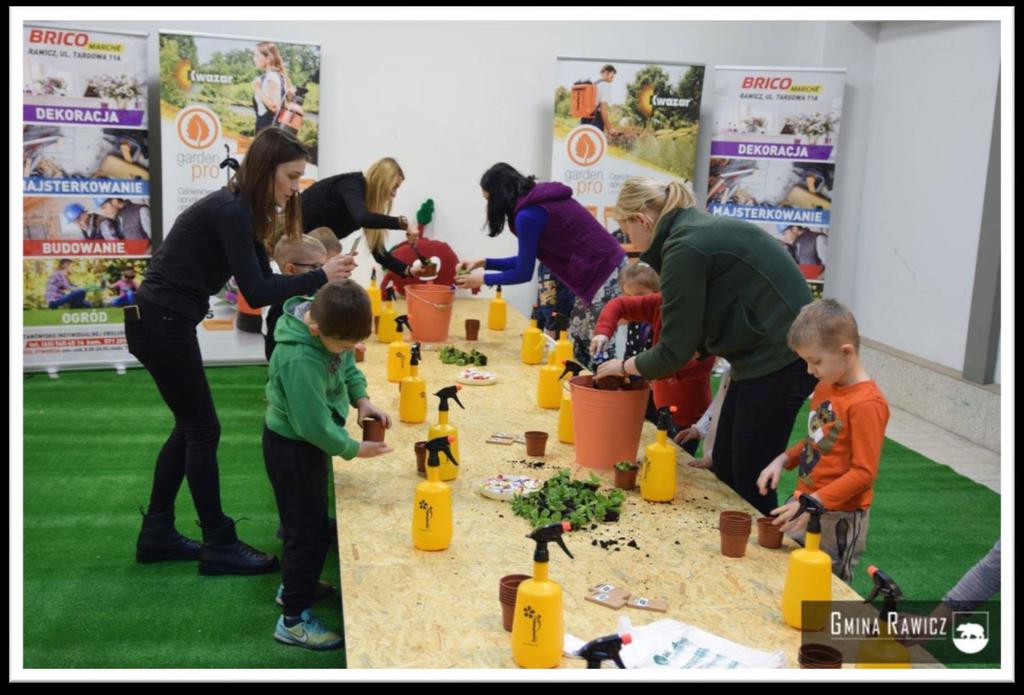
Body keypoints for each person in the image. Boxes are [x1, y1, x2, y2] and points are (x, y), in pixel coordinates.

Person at [125, 127, 357, 576]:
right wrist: (322, 275)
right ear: (266, 170)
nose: (296, 189)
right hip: (161, 322)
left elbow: (268, 279)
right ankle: (218, 543)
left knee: (189, 427)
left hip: (163, 320)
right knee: (202, 430)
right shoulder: (231, 210)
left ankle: (156, 533)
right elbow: (258, 290)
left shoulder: (242, 211)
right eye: (291, 177)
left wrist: (319, 272)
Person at [595, 176, 817, 515]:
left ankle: (764, 558)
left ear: (642, 219)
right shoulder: (690, 233)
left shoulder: (685, 246)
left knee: (749, 480)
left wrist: (623, 367)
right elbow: (701, 314)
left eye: (628, 233)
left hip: (782, 358)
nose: (632, 243)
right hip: (759, 355)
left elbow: (673, 351)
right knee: (725, 467)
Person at [264, 280, 392, 650]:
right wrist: (353, 448)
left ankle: (295, 584)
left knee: (312, 523)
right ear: (316, 329)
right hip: (292, 446)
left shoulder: (333, 326)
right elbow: (311, 424)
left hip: (308, 444)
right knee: (305, 532)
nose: (350, 350)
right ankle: (293, 619)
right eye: (344, 344)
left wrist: (362, 400)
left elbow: (347, 365)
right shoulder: (300, 358)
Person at [756, 299, 889, 582]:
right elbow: (815, 439)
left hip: (838, 517)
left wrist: (815, 500)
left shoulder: (867, 404)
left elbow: (864, 472)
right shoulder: (825, 386)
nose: (809, 370)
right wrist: (784, 458)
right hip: (805, 500)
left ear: (846, 352)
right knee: (790, 575)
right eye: (805, 361)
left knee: (825, 584)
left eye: (815, 361)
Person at [455, 162, 627, 367]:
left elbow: (523, 272)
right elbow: (525, 260)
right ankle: (582, 394)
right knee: (578, 342)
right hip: (594, 273)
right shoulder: (532, 206)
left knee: (599, 347)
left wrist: (483, 278)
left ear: (499, 195)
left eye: (488, 199)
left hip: (605, 270)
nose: (489, 206)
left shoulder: (528, 215)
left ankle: (607, 396)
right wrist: (484, 263)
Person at [590, 263, 715, 456]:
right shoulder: (657, 303)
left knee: (678, 457)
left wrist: (660, 371)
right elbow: (618, 305)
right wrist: (603, 332)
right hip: (660, 399)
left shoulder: (699, 318)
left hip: (687, 410)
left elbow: (705, 363)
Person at [300, 158, 427, 279]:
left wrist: (408, 270)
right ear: (383, 180)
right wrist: (403, 224)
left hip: (309, 251)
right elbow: (363, 218)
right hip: (292, 241)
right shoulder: (350, 185)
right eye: (394, 187)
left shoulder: (365, 205)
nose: (394, 195)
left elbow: (378, 251)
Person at [265, 235, 328, 362]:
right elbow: (272, 351)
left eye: (323, 266)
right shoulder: (281, 306)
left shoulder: (314, 294)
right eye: (314, 267)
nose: (322, 272)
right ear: (291, 269)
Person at [252, 42, 295, 133]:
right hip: (267, 130)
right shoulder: (277, 76)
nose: (254, 59)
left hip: (268, 132)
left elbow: (275, 108)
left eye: (257, 56)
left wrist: (258, 89)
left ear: (268, 58)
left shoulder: (272, 77)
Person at [580, 63, 617, 136]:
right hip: (596, 119)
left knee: (583, 140)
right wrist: (609, 129)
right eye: (612, 76)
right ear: (606, 73)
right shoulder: (606, 86)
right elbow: (603, 109)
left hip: (585, 117)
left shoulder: (594, 83)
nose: (613, 79)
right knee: (595, 144)